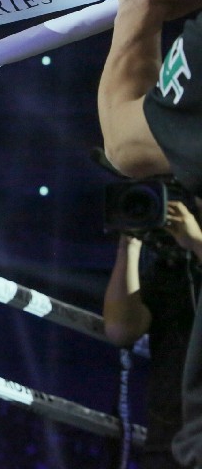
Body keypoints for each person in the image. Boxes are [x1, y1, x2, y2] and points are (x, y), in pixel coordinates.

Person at [99, 0, 202, 467]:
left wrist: (143, 2)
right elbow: (122, 327)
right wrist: (133, 240)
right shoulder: (162, 249)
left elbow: (125, 144)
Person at [103, 200, 202, 468]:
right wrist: (130, 245)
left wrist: (197, 243)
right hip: (169, 438)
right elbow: (121, 330)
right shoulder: (171, 260)